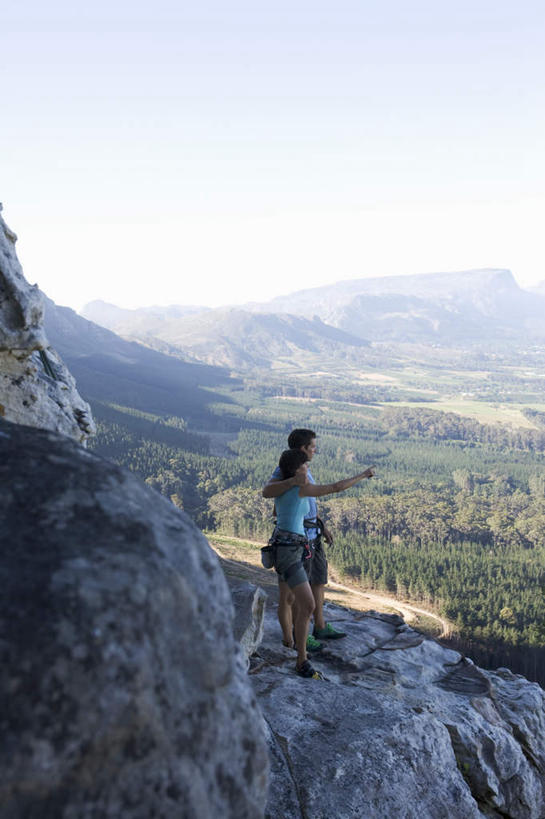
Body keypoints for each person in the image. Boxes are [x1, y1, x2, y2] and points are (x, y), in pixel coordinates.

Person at [266, 446, 375, 678]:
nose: (308, 469)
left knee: (295, 601)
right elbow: (335, 487)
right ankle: (301, 657)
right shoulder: (300, 489)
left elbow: (273, 501)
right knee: (306, 605)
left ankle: (297, 651)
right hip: (289, 553)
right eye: (305, 466)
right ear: (296, 471)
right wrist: (363, 475)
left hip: (288, 548)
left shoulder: (280, 486)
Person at [263, 428, 341, 653]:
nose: (316, 451)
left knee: (318, 580)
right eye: (313, 447)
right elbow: (267, 492)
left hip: (312, 534)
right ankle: (298, 639)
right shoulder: (286, 469)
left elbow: (308, 503)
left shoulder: (305, 469)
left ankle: (320, 626)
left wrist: (322, 526)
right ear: (302, 449)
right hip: (296, 540)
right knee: (293, 595)